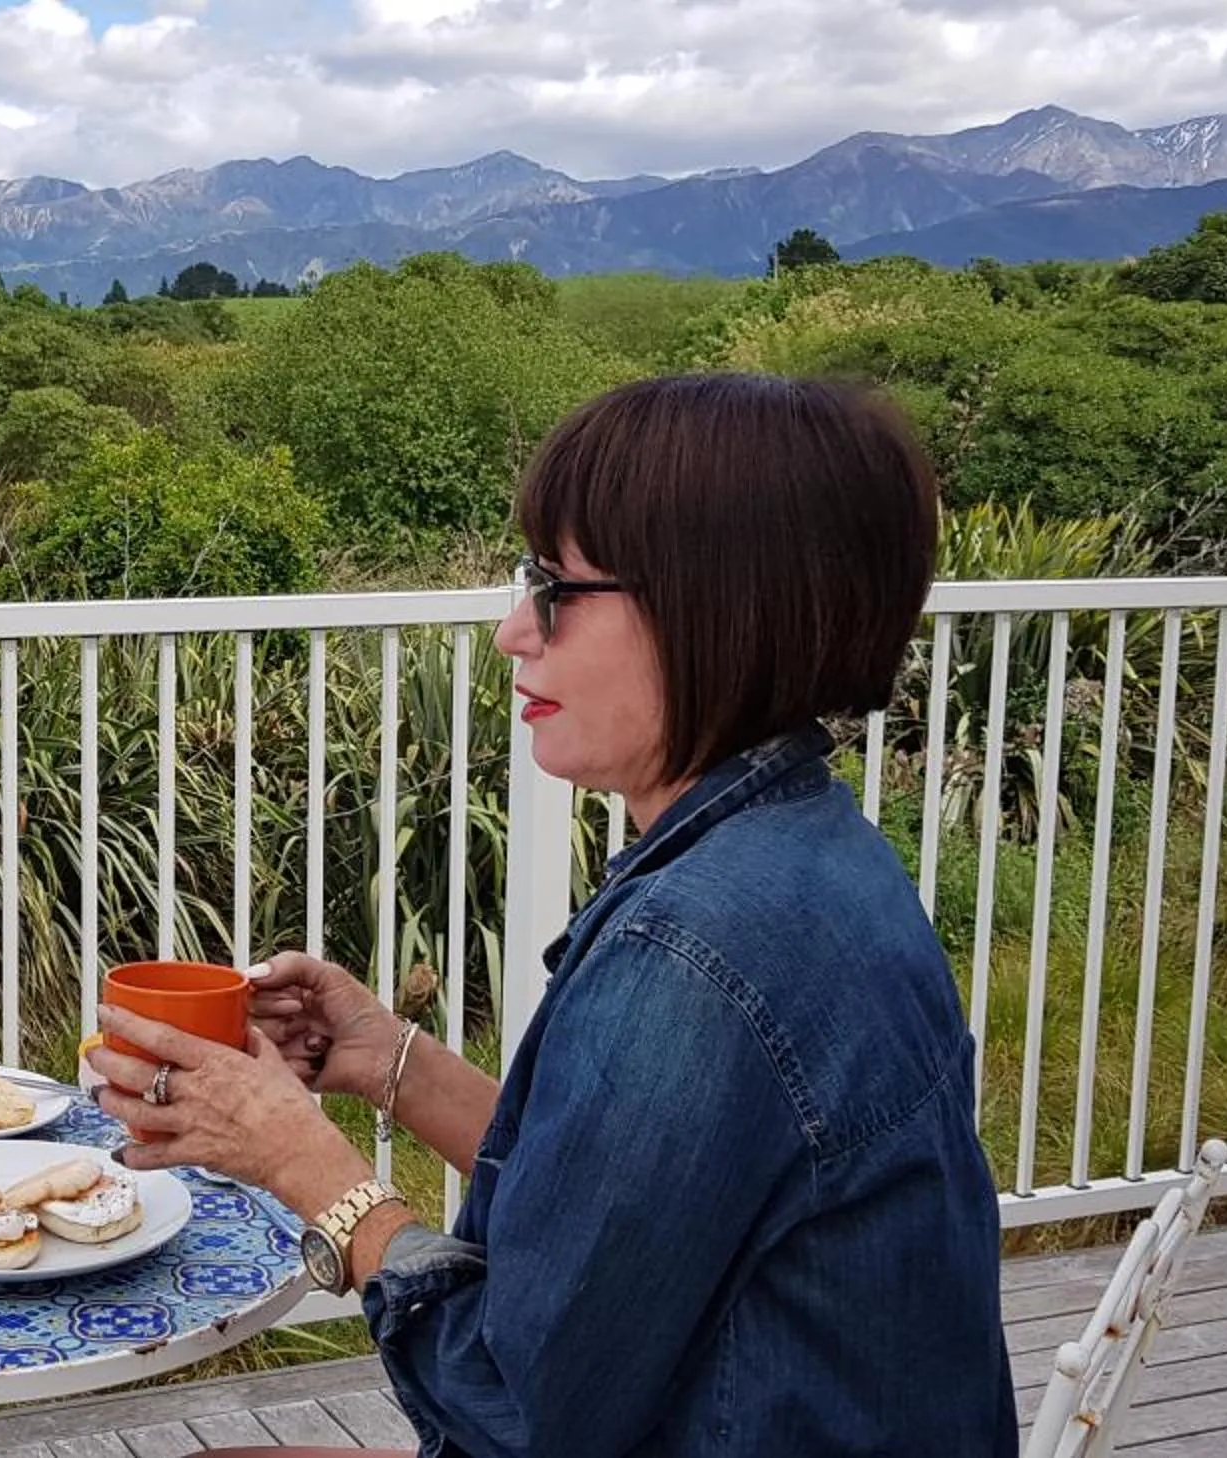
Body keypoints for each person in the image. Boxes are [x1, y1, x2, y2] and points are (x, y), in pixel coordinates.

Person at [88, 372, 1018, 1456]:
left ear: (719, 607)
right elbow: (621, 1209)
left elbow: (510, 1405)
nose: (512, 631)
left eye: (556, 587)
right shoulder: (802, 853)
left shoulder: (703, 947)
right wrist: (386, 1056)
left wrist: (300, 1161)